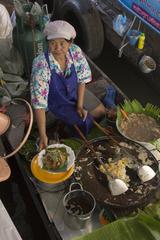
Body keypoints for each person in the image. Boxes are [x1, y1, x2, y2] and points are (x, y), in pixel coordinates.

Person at [31, 20, 106, 150]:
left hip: (75, 91)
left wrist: (80, 105)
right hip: (56, 99)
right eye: (53, 43)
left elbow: (82, 80)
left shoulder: (75, 52)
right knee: (84, 120)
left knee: (100, 112)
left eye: (62, 43)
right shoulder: (41, 65)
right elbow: (39, 104)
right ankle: (74, 137)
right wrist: (43, 135)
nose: (58, 48)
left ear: (70, 42)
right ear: (47, 43)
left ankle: (74, 129)